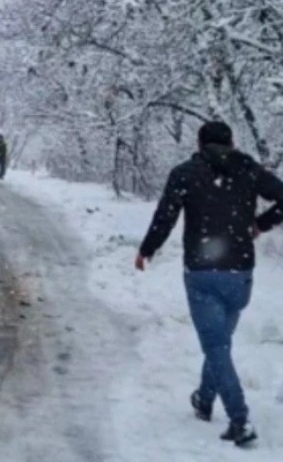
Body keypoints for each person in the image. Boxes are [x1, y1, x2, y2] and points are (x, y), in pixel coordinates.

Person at [135, 121, 283, 447]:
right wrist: (260, 223)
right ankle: (204, 399)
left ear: (200, 143)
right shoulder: (248, 168)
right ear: (231, 141)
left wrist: (146, 249)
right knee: (219, 342)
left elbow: (165, 217)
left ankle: (239, 419)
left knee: (216, 345)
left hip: (202, 272)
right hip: (240, 272)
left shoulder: (186, 172)